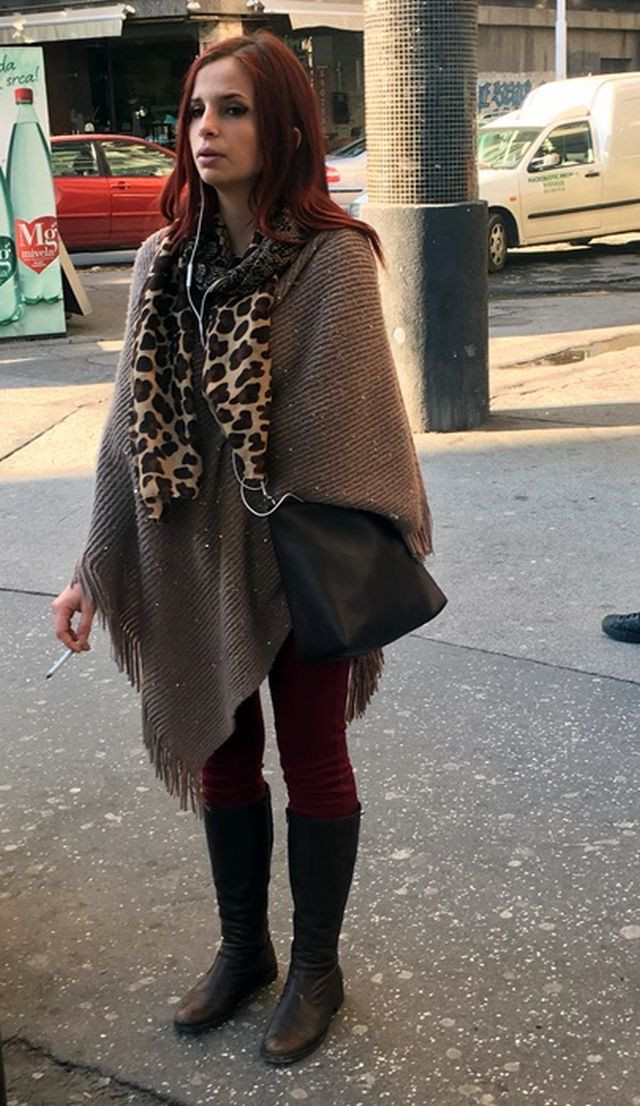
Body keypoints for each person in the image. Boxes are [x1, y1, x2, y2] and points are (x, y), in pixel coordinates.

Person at [51, 32, 432, 1065]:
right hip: (189, 556)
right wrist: (91, 569)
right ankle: (244, 948)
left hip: (298, 562)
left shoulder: (332, 260)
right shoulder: (159, 262)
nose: (205, 130)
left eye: (234, 110)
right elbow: (127, 437)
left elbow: (352, 436)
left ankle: (316, 966)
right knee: (222, 755)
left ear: (286, 129)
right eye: (195, 110)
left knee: (313, 759)